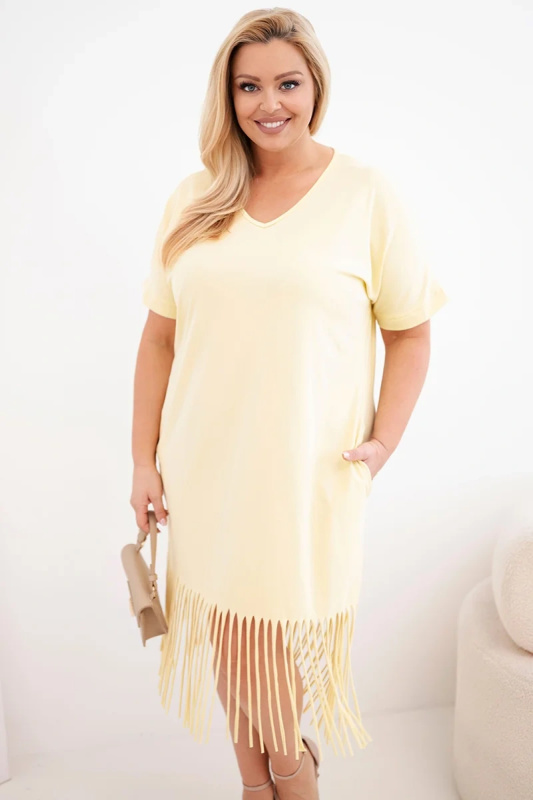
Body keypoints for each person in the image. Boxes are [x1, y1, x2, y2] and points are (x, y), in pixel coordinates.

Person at [130, 8, 449, 800]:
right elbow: (159, 339)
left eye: (287, 83)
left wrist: (383, 442)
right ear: (227, 96)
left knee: (269, 633)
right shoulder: (195, 198)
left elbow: (410, 332)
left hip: (308, 468)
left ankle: (288, 774)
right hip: (203, 462)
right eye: (248, 87)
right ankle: (264, 782)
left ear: (315, 89)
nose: (268, 103)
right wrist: (143, 461)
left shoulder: (364, 194)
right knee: (230, 631)